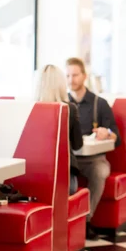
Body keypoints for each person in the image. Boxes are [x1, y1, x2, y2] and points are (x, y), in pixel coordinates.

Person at [66, 57, 121, 239]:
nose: (71, 79)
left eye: (74, 75)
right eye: (67, 75)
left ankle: (85, 221)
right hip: (70, 158)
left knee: (99, 172)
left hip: (93, 159)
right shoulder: (62, 103)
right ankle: (65, 224)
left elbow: (116, 136)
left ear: (84, 76)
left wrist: (107, 133)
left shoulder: (100, 103)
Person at [35, 64, 83, 195]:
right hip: (63, 181)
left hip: (33, 179)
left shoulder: (29, 109)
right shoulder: (69, 109)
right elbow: (78, 144)